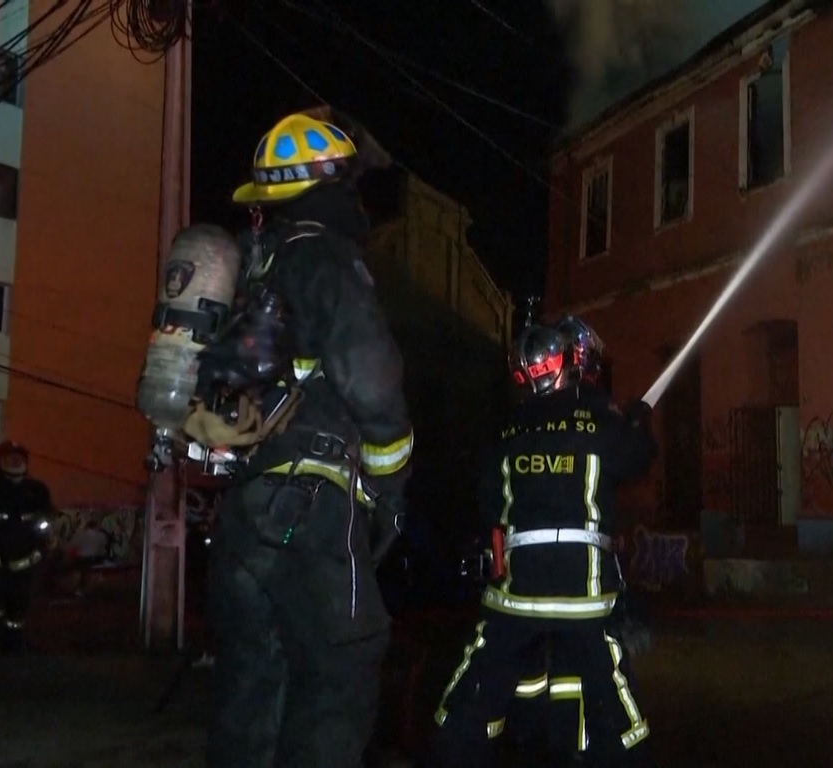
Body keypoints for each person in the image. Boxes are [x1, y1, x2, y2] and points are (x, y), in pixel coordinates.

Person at [199, 108, 414, 768]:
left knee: (252, 693)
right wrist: (390, 492)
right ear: (332, 184)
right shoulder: (327, 259)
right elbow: (373, 386)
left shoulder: (255, 271)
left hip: (242, 519)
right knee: (339, 676)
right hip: (314, 516)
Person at [429, 317, 658, 768]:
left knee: (480, 683)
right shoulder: (598, 421)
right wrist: (635, 422)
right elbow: (639, 459)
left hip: (516, 595)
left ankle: (455, 751)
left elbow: (488, 501)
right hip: (583, 595)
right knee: (611, 695)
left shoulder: (508, 430)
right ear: (573, 367)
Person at [0, 441, 54, 654]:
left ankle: (13, 650)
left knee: (17, 616)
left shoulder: (37, 493)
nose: (15, 461)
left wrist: (40, 556)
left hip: (26, 569)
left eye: (19, 457)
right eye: (9, 457)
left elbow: (46, 527)